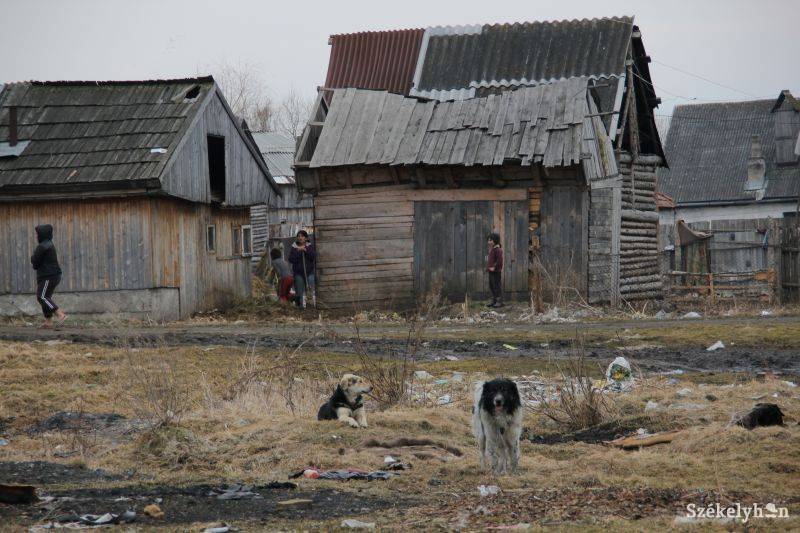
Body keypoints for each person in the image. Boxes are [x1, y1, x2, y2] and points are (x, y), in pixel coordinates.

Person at [30, 224, 67, 327]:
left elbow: (35, 263)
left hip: (48, 276)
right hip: (52, 275)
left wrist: (33, 257)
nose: (36, 236)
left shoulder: (42, 246)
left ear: (42, 234)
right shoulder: (48, 244)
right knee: (46, 297)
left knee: (42, 297)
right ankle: (48, 322)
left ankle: (60, 314)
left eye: (37, 234)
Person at [288, 230, 316, 309]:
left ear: (306, 238)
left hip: (309, 272)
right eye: (299, 236)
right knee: (299, 292)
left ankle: (310, 306)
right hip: (298, 273)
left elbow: (313, 256)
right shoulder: (294, 247)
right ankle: (299, 307)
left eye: (302, 236)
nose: (300, 238)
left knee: (310, 290)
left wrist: (305, 250)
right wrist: (298, 251)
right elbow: (291, 259)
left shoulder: (309, 246)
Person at [486, 232, 504, 308]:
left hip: (496, 272)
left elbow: (499, 260)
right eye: (488, 240)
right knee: (492, 286)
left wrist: (494, 267)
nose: (488, 242)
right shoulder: (492, 250)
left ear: (495, 241)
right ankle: (493, 301)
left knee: (497, 286)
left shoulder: (498, 250)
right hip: (491, 271)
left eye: (490, 240)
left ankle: (499, 301)